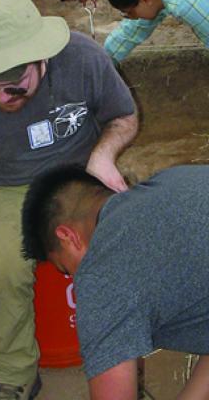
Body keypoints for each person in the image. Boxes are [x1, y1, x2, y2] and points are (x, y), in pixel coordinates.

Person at [0, 0, 138, 399]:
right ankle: (15, 377)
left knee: (117, 249)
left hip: (80, 174)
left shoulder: (82, 58)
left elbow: (123, 117)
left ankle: (124, 363)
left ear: (41, 57)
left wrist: (104, 156)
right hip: (2, 188)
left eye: (14, 86)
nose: (2, 97)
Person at [21, 164, 209, 400]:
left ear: (67, 236)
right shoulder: (172, 178)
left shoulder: (100, 276)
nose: (75, 278)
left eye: (66, 269)